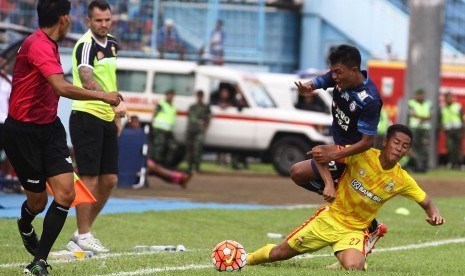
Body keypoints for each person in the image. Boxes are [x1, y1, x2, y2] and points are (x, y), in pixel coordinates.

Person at [3, 0, 121, 274]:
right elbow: (61, 86)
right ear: (64, 19)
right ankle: (25, 223)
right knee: (38, 202)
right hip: (23, 133)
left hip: (50, 129)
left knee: (66, 193)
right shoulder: (39, 45)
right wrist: (104, 96)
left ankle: (39, 261)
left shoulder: (48, 42)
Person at [246, 124, 445, 271]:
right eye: (396, 142)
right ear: (385, 142)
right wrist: (328, 185)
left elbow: (427, 201)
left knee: (354, 267)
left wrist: (435, 215)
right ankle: (245, 258)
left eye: (404, 146)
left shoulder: (402, 179)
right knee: (278, 254)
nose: (399, 148)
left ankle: (356, 249)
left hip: (355, 229)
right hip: (329, 220)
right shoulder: (362, 155)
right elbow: (321, 154)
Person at [293, 44, 384, 253]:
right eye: (332, 71)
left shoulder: (369, 99)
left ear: (354, 70)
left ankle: (365, 224)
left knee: (300, 171)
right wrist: (310, 85)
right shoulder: (340, 77)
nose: (333, 76)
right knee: (299, 173)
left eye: (338, 72)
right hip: (338, 150)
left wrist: (337, 152)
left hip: (355, 155)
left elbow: (367, 142)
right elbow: (323, 79)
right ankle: (353, 211)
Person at [68, 0, 128, 254]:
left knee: (110, 179)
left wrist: (115, 113)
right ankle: (83, 235)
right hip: (86, 115)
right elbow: (86, 78)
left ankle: (81, 234)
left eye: (107, 19)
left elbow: (109, 79)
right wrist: (112, 102)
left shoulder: (113, 43)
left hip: (106, 117)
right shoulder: (85, 45)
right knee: (90, 178)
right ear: (89, 21)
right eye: (98, 20)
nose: (103, 24)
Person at [185, 90, 211, 173]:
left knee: (197, 149)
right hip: (190, 130)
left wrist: (204, 129)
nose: (199, 97)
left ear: (202, 97)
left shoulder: (206, 107)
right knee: (189, 149)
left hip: (199, 131)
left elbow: (208, 119)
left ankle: (197, 167)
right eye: (198, 95)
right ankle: (189, 167)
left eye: (200, 96)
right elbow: (189, 119)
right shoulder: (192, 107)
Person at [151, 89, 178, 168]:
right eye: (170, 95)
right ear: (166, 96)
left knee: (173, 146)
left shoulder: (173, 106)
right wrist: (153, 125)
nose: (171, 97)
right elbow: (154, 114)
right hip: (159, 129)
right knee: (159, 148)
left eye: (172, 95)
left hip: (168, 131)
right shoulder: (161, 104)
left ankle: (166, 165)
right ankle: (155, 165)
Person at [407, 88, 432, 173]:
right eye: (419, 95)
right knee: (414, 147)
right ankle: (416, 166)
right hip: (414, 128)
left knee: (424, 148)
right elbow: (410, 114)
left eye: (422, 95)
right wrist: (422, 118)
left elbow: (431, 115)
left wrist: (421, 118)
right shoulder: (411, 103)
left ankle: (424, 166)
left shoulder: (428, 104)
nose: (420, 96)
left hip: (425, 129)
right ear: (416, 95)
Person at [440, 91, 463, 169]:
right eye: (447, 97)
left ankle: (460, 164)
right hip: (448, 130)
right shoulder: (443, 107)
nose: (448, 99)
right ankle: (452, 163)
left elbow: (461, 118)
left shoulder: (457, 106)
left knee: (458, 148)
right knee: (450, 147)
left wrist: (462, 130)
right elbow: (442, 119)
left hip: (457, 129)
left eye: (450, 97)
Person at [0, 55, 12, 178]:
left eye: (4, 63)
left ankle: (8, 176)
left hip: (6, 121)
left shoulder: (10, 80)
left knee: (9, 150)